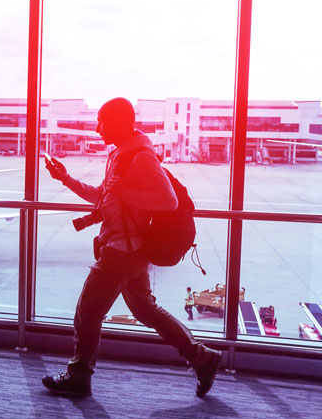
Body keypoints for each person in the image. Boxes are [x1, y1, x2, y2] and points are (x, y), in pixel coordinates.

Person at [42, 97, 221, 398]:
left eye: (103, 121)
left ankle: (78, 377)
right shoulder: (119, 155)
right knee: (145, 310)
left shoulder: (140, 157)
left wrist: (126, 191)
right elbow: (103, 197)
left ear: (123, 122)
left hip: (123, 251)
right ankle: (201, 357)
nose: (98, 128)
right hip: (129, 249)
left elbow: (168, 201)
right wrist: (66, 178)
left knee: (87, 313)